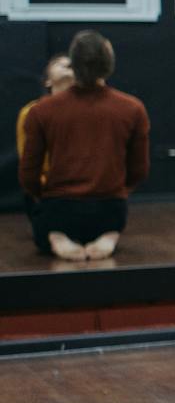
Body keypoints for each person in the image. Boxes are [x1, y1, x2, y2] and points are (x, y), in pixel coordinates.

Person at [19, 31, 149, 262]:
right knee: (111, 217)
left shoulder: (41, 111)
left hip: (59, 207)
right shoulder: (133, 108)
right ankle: (109, 234)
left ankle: (56, 235)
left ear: (74, 66)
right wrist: (119, 191)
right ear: (109, 65)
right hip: (109, 207)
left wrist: (44, 196)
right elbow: (139, 170)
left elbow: (28, 174)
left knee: (47, 222)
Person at [15, 54, 73, 199]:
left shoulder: (89, 112)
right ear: (47, 81)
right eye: (59, 63)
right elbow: (28, 159)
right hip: (49, 193)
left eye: (72, 65)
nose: (67, 65)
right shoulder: (31, 112)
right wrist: (45, 190)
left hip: (85, 191)